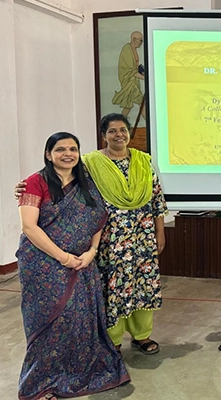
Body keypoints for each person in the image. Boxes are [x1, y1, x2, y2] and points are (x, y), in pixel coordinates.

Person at [15, 113, 168, 355]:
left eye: (123, 130)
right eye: (112, 131)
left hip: (143, 235)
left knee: (143, 284)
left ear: (129, 132)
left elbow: (156, 199)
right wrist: (24, 188)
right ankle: (113, 338)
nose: (119, 135)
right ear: (104, 135)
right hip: (110, 238)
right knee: (112, 287)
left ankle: (142, 335)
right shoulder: (90, 164)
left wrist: (160, 231)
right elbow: (61, 176)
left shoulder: (144, 161)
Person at [16, 132, 129, 400]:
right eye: (60, 149)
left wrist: (92, 252)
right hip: (42, 265)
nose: (68, 154)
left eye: (73, 149)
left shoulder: (86, 183)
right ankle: (41, 382)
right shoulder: (35, 182)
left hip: (82, 263)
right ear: (48, 154)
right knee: (50, 322)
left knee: (80, 319)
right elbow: (29, 227)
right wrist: (63, 257)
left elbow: (98, 218)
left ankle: (79, 372)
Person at [112, 31, 146, 119]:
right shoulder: (127, 49)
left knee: (128, 105)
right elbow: (130, 70)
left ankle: (120, 122)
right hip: (128, 81)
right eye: (140, 40)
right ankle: (150, 124)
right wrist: (145, 78)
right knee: (141, 102)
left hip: (133, 81)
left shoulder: (133, 49)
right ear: (134, 40)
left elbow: (134, 68)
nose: (141, 42)